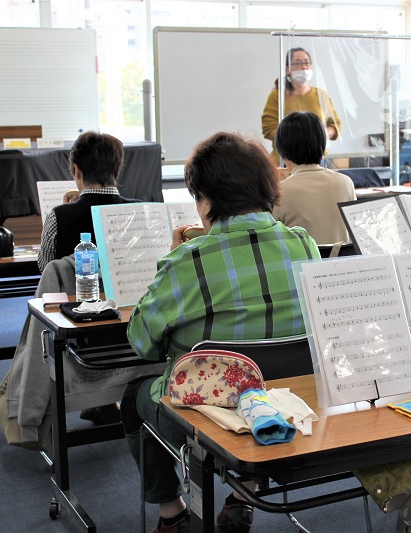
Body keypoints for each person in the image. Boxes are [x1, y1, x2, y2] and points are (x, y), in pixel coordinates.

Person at [120, 132, 321, 533]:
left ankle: (173, 513)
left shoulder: (187, 261)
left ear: (206, 201)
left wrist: (173, 257)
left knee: (133, 397)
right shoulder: (305, 245)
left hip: (210, 418)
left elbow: (142, 344)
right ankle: (243, 494)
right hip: (289, 405)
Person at [38, 131, 137, 273]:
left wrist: (67, 213)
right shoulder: (141, 210)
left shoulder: (57, 216)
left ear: (77, 171)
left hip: (76, 288)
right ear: (117, 172)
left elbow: (45, 268)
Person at [272, 111, 356, 245]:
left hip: (302, 259)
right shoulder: (345, 182)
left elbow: (270, 237)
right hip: (341, 257)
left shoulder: (281, 190)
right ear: (322, 144)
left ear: (282, 149)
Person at [261, 47, 342, 165]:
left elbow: (335, 125)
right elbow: (269, 129)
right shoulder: (277, 95)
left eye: (307, 63)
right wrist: (296, 138)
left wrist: (320, 134)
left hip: (316, 160)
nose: (303, 67)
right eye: (297, 63)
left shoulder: (321, 95)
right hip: (285, 160)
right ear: (287, 70)